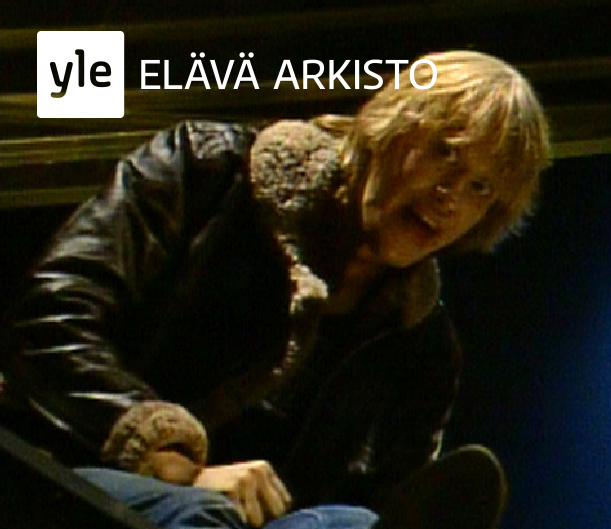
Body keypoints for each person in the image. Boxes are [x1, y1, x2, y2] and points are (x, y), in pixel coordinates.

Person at [0, 50, 551, 529]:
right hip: (62, 470)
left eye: (480, 186)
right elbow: (49, 316)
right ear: (391, 124)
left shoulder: (424, 350)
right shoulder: (208, 170)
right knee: (205, 515)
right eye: (445, 152)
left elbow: (375, 497)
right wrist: (161, 449)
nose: (450, 194)